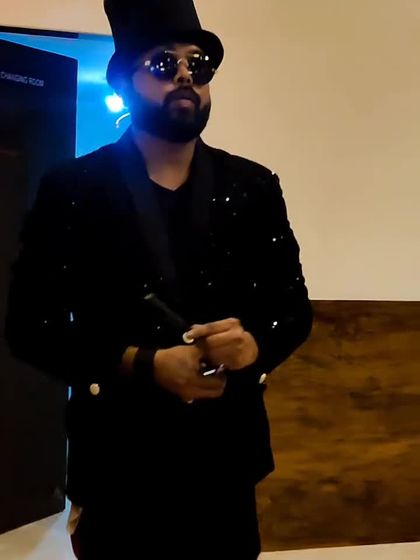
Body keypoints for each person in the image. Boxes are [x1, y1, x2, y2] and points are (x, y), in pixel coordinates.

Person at [4, 0, 313, 558]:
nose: (186, 76)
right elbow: (29, 326)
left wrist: (253, 346)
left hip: (226, 464)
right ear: (123, 81)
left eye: (200, 64)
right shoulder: (72, 188)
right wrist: (141, 363)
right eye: (165, 63)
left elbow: (292, 309)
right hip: (119, 466)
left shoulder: (254, 187)